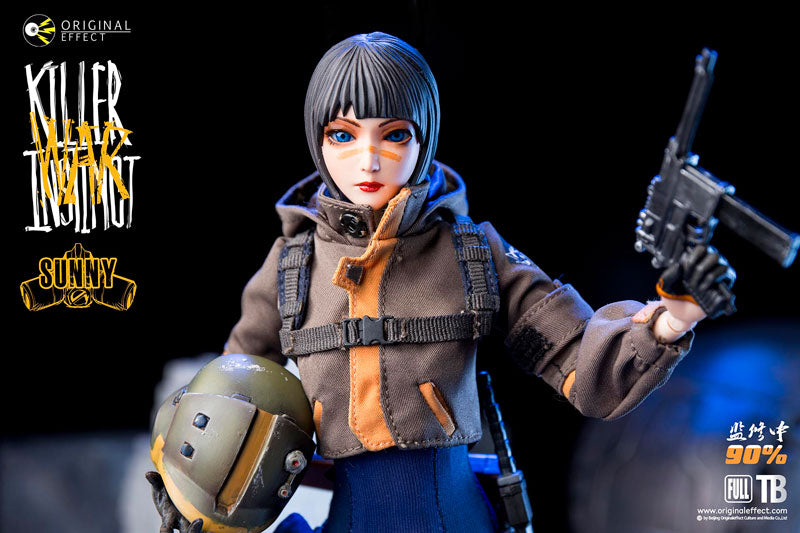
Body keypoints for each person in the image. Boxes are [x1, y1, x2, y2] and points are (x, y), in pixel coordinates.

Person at [151, 32, 734, 532]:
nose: (369, 160)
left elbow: (579, 360)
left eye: (395, 134)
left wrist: (670, 320)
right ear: (318, 139)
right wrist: (183, 486)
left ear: (424, 136)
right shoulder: (293, 264)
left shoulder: (471, 252)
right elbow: (224, 398)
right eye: (343, 135)